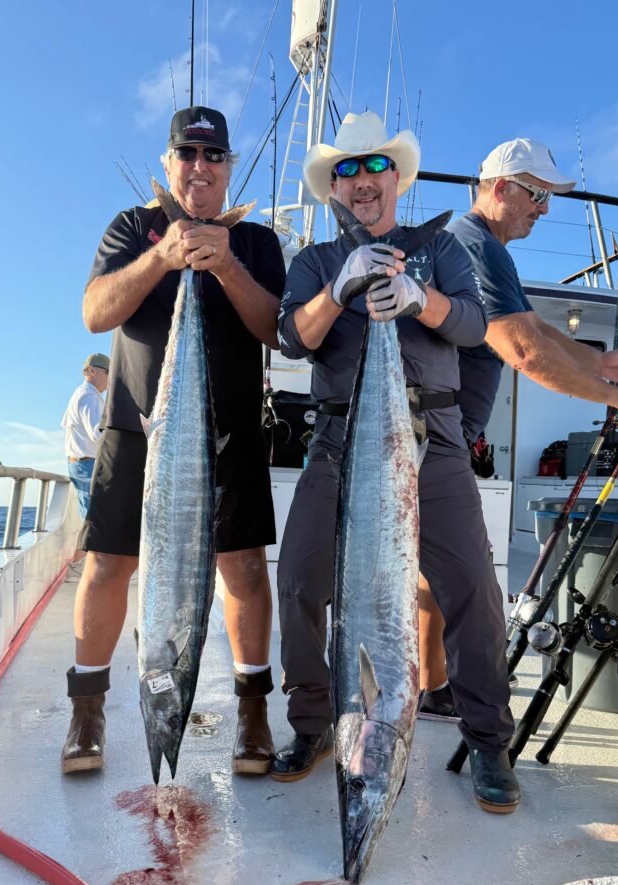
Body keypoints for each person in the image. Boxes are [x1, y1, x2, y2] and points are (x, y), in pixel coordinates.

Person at [270, 111, 519, 814]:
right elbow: (291, 338)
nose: (362, 180)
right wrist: (339, 289)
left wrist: (419, 298)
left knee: (472, 588)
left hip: (433, 438)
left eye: (375, 165)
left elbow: (474, 325)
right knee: (298, 580)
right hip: (340, 440)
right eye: (346, 170)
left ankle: (488, 742)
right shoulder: (316, 261)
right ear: (334, 189)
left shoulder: (440, 248)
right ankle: (315, 725)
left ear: (397, 178)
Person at [61, 106, 285, 777]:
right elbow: (95, 312)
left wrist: (225, 266)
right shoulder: (133, 227)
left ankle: (252, 712)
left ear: (228, 167)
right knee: (108, 564)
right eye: (187, 153)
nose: (200, 166)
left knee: (244, 568)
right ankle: (87, 712)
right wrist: (164, 257)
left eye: (213, 155)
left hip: (230, 435)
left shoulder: (256, 242)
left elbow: (275, 329)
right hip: (136, 430)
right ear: (168, 163)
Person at [416, 137, 618, 722]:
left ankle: (431, 685)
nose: (544, 210)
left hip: (435, 440)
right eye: (538, 196)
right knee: (471, 581)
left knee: (433, 574)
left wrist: (599, 362)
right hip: (436, 443)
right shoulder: (476, 245)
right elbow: (522, 350)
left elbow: (536, 331)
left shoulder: (481, 246)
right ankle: (465, 701)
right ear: (502, 188)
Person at [61, 352, 109, 575]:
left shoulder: (84, 394)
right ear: (93, 371)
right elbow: (97, 435)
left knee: (91, 516)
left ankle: (80, 561)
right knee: (95, 518)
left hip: (81, 464)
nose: (109, 379)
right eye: (108, 373)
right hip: (87, 465)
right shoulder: (89, 397)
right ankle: (82, 565)